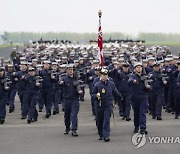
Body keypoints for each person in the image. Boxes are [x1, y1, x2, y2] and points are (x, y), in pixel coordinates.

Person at [92, 67, 123, 142]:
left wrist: (120, 97)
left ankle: (106, 135)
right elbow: (92, 94)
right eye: (103, 75)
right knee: (100, 120)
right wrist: (96, 95)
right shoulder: (97, 84)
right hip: (99, 105)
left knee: (106, 120)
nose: (104, 77)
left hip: (108, 104)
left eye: (105, 75)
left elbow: (115, 91)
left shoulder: (111, 84)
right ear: (100, 75)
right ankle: (101, 133)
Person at [60, 64, 83, 137]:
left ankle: (74, 129)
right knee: (67, 115)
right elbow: (59, 83)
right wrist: (60, 83)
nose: (71, 71)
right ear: (66, 70)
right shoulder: (64, 78)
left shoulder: (76, 79)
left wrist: (80, 92)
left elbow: (80, 86)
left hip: (75, 99)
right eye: (69, 69)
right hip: (66, 100)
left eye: (72, 69)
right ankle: (67, 127)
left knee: (74, 115)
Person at [128, 62, 150, 134]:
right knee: (136, 113)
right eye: (137, 67)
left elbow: (149, 85)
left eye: (140, 67)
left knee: (142, 112)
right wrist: (133, 81)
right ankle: (136, 126)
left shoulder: (145, 76)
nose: (139, 68)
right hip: (135, 98)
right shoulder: (132, 76)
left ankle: (143, 128)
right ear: (135, 69)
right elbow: (129, 81)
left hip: (144, 97)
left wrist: (148, 87)